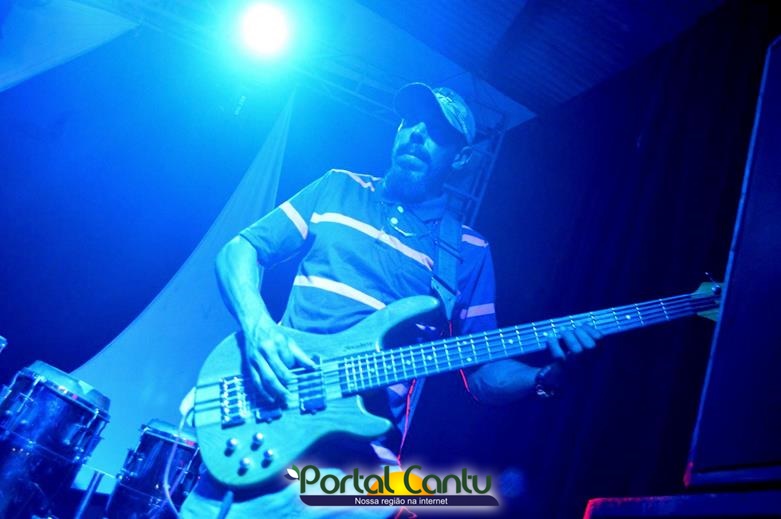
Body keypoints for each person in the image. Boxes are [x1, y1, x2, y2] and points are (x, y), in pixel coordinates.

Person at [180, 83, 601, 518]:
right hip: (268, 421)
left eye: (437, 131)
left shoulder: (467, 251)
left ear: (460, 158)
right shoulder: (337, 188)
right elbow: (241, 249)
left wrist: (544, 376)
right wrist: (258, 327)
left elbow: (482, 375)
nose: (417, 133)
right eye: (411, 120)